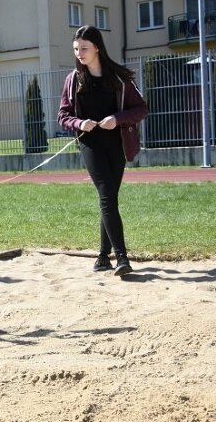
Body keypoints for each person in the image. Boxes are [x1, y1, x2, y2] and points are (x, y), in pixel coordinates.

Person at [58, 25, 148, 277]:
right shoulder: (72, 79)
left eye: (84, 48)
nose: (79, 53)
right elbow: (63, 115)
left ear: (97, 47)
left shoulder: (119, 77)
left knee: (109, 199)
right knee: (107, 195)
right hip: (90, 144)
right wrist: (79, 123)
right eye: (76, 49)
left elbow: (141, 109)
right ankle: (121, 257)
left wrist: (117, 119)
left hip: (117, 144)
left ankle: (101, 257)